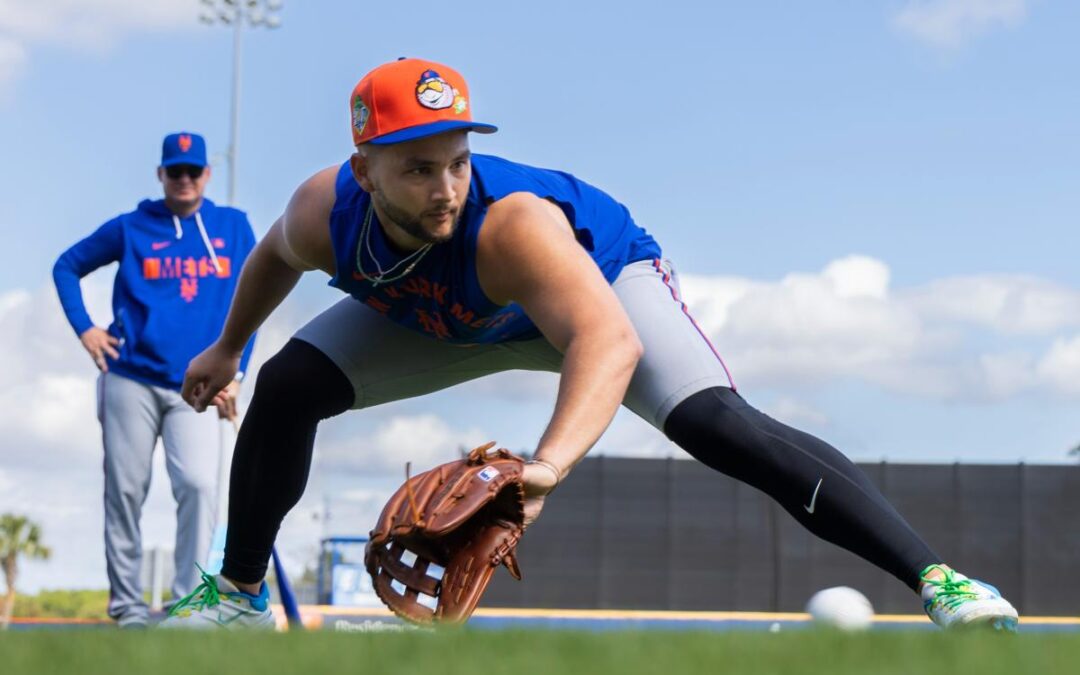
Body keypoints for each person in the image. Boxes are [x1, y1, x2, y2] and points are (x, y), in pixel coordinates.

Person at [169, 59, 1018, 631]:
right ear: (365, 170)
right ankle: (239, 595)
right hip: (448, 313)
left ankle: (940, 581)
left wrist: (544, 468)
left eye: (457, 161)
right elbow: (274, 257)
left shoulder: (511, 226)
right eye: (418, 168)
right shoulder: (327, 210)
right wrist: (225, 348)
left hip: (597, 291)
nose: (445, 186)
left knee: (721, 425)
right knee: (286, 383)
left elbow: (605, 343)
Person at [52, 132, 257, 628]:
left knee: (199, 487)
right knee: (125, 489)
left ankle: (188, 604)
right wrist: (86, 329)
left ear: (207, 174)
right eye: (174, 171)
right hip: (130, 377)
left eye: (193, 170)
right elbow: (67, 266)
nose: (184, 179)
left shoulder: (234, 227)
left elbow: (254, 298)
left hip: (201, 386)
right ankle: (127, 608)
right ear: (161, 175)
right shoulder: (131, 227)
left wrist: (237, 370)